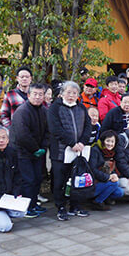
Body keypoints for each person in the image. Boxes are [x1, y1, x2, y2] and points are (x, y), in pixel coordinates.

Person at [47, 81, 92, 221]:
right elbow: (55, 129)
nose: (71, 95)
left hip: (78, 151)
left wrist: (82, 142)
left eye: (74, 93)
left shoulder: (81, 108)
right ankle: (60, 207)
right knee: (60, 180)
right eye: (68, 92)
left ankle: (75, 205)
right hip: (60, 152)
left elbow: (88, 126)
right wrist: (72, 143)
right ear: (62, 93)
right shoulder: (55, 108)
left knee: (76, 179)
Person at [10, 83, 48, 218]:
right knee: (28, 180)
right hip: (22, 152)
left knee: (37, 178)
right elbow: (22, 135)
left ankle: (33, 203)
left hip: (38, 153)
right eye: (35, 94)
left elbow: (47, 132)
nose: (38, 97)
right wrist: (35, 149)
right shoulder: (22, 111)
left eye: (40, 94)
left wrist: (43, 147)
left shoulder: (44, 110)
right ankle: (26, 208)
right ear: (29, 95)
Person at [92, 130, 129, 208]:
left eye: (112, 141)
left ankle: (104, 198)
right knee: (114, 184)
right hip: (93, 183)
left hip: (104, 180)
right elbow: (93, 170)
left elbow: (111, 169)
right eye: (108, 141)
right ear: (103, 140)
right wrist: (108, 177)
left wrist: (114, 175)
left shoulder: (112, 152)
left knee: (119, 192)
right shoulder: (95, 150)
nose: (110, 144)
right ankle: (97, 202)